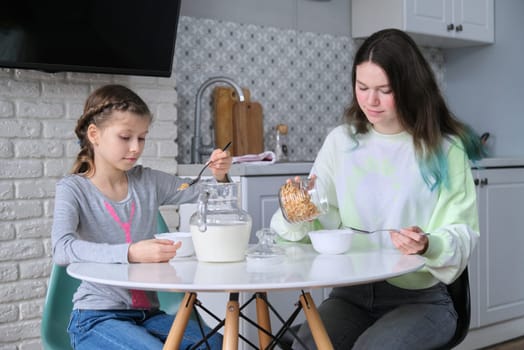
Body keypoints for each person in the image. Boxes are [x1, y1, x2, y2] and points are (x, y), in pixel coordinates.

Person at [270, 28, 485, 349]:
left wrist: (428, 244)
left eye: (384, 90)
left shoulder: (445, 149)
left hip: (421, 300)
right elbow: (311, 218)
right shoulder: (340, 142)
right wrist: (294, 211)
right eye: (363, 87)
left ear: (410, 88)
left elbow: (463, 231)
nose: (371, 100)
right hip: (349, 294)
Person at [51, 84, 229, 349]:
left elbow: (204, 194)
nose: (135, 147)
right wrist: (131, 252)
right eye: (125, 137)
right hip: (97, 318)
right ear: (94, 135)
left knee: (216, 344)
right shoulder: (73, 189)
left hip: (148, 316)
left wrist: (219, 175)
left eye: (142, 138)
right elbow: (62, 249)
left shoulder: (148, 182)